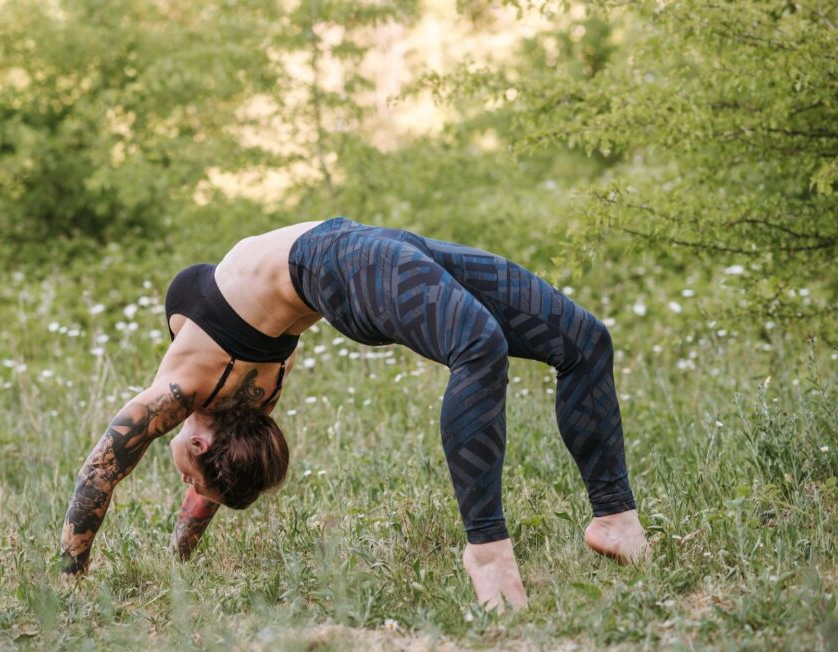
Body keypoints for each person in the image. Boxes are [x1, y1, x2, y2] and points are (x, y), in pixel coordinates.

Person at [59, 216, 648, 610]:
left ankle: (613, 521)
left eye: (190, 483)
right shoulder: (236, 399)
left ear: (203, 446)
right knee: (480, 344)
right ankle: (490, 556)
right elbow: (190, 484)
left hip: (363, 251)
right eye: (192, 485)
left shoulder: (182, 397)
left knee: (583, 340)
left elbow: (101, 474)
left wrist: (71, 578)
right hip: (351, 262)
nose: (189, 492)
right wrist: (176, 554)